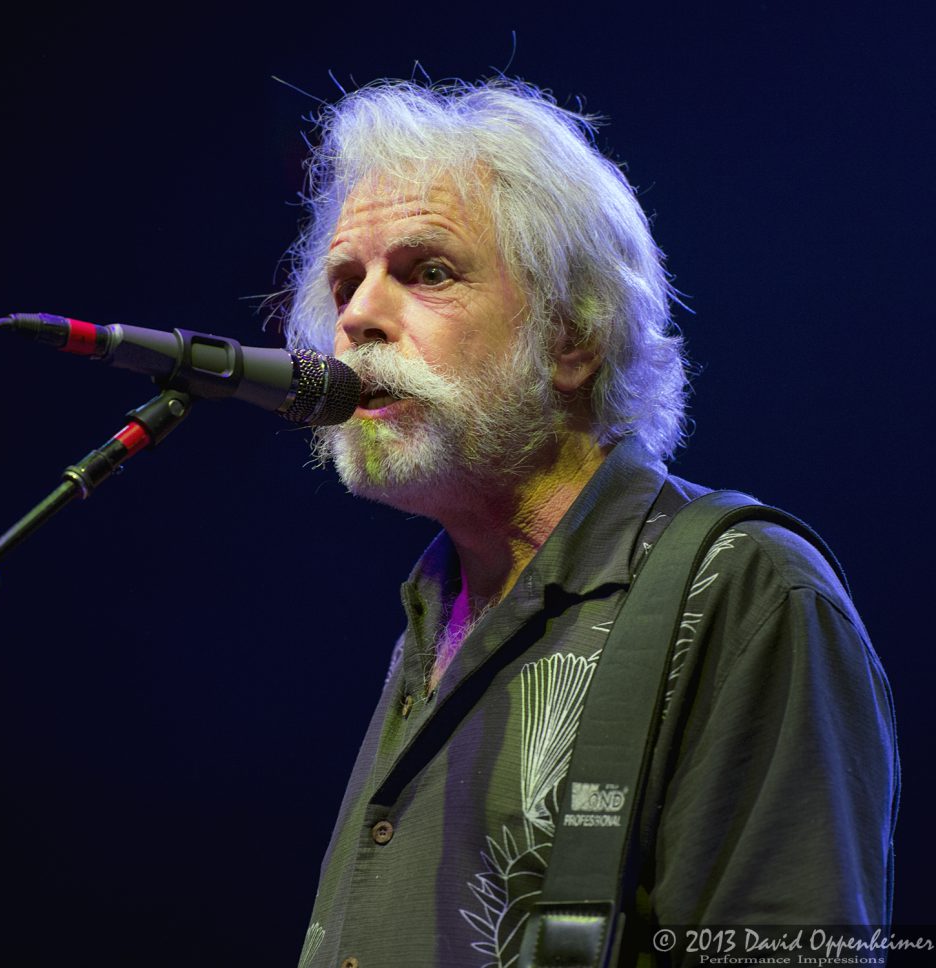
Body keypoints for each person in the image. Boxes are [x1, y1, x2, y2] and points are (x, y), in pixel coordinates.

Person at [282, 78, 899, 968]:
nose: (358, 316)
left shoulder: (747, 591)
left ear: (573, 337)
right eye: (346, 281)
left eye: (428, 272)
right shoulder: (437, 605)